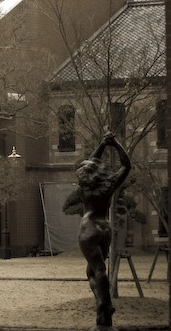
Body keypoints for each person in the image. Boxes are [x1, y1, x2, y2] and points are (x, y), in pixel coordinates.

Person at [76, 132, 130, 329]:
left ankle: (104, 303)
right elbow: (126, 165)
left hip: (88, 226)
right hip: (104, 228)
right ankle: (103, 303)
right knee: (95, 270)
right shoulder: (109, 185)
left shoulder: (84, 186)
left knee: (96, 270)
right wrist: (114, 144)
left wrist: (102, 144)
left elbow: (91, 163)